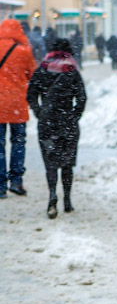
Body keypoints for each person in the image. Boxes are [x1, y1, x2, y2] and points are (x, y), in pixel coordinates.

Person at [27, 38, 86, 219]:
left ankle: (52, 195)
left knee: (51, 163)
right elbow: (82, 97)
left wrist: (39, 112)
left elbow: (30, 94)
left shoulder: (42, 69)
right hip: (67, 122)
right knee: (67, 163)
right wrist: (74, 115)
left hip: (48, 122)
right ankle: (67, 200)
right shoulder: (72, 70)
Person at [0, 19, 37, 198]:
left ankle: (0, 186)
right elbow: (32, 74)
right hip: (17, 104)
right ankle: (16, 181)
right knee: (18, 142)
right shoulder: (24, 51)